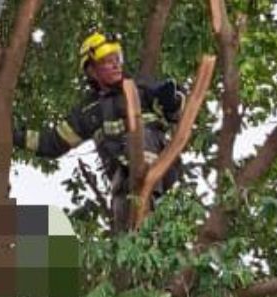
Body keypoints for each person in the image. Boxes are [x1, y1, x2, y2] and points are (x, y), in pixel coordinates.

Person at [13, 31, 184, 233]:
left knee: (139, 138)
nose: (116, 64)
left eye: (117, 59)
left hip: (162, 174)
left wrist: (172, 100)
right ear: (92, 71)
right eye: (107, 61)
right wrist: (13, 135)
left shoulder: (141, 87)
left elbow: (176, 111)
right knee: (126, 238)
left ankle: (151, 212)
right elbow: (52, 143)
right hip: (123, 185)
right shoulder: (87, 111)